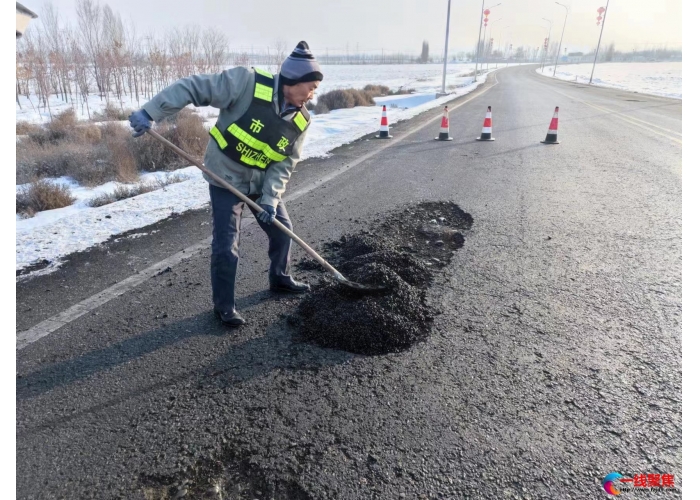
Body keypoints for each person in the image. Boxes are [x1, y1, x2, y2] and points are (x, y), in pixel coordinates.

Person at [128, 41, 323, 327]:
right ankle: (224, 307)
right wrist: (150, 112)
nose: (312, 94)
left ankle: (280, 278)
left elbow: (284, 164)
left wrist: (270, 199)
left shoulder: (301, 121)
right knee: (226, 245)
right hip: (226, 178)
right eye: (311, 87)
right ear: (294, 80)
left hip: (260, 183)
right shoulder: (247, 83)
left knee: (284, 232)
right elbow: (193, 87)